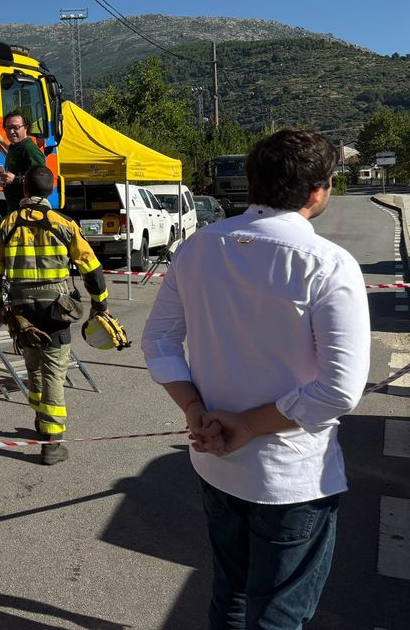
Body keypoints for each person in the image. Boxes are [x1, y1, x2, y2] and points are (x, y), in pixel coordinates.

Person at [141, 129, 369, 629]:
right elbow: (339, 389)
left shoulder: (198, 247)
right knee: (278, 614)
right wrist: (247, 425)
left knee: (232, 596)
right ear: (317, 191)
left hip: (216, 462)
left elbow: (157, 341)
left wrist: (196, 411)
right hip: (291, 476)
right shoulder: (329, 265)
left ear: (252, 184)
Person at [0, 165, 108, 464]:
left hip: (21, 311)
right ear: (51, 190)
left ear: (25, 191)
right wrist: (100, 304)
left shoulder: (7, 224)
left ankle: (42, 420)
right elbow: (92, 268)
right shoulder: (64, 223)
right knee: (54, 373)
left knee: (34, 367)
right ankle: (52, 443)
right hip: (56, 307)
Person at [0, 109, 46, 207]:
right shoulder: (16, 146)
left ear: (26, 128)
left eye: (16, 127)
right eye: (8, 128)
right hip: (15, 208)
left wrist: (15, 179)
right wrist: (0, 141)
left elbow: (41, 179)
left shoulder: (30, 149)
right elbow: (12, 150)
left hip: (27, 211)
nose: (11, 131)